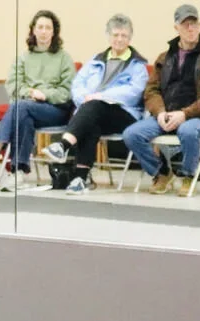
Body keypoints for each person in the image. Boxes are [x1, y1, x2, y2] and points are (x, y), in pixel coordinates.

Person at [121, 4, 200, 196]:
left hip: (197, 118)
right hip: (166, 115)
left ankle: (187, 174)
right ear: (176, 27)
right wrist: (160, 112)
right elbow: (151, 90)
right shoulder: (164, 57)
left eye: (194, 24)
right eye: (185, 24)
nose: (190, 28)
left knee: (188, 131)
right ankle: (161, 172)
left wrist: (185, 114)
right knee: (131, 134)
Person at [41, 14, 149, 195]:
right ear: (108, 36)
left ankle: (64, 146)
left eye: (124, 35)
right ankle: (79, 179)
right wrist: (86, 98)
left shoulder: (137, 65)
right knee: (91, 120)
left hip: (124, 114)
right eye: (115, 35)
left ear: (130, 38)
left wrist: (101, 96)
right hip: (93, 110)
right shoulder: (95, 60)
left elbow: (134, 92)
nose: (119, 39)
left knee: (93, 109)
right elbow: (77, 84)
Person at [0, 10, 75, 179]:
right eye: (40, 27)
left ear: (54, 32)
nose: (43, 31)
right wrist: (30, 92)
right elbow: (13, 84)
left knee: (20, 107)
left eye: (47, 27)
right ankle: (18, 171)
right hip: (27, 106)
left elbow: (68, 91)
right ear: (33, 30)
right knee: (24, 115)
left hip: (55, 110)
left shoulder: (64, 58)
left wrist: (45, 94)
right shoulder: (23, 57)